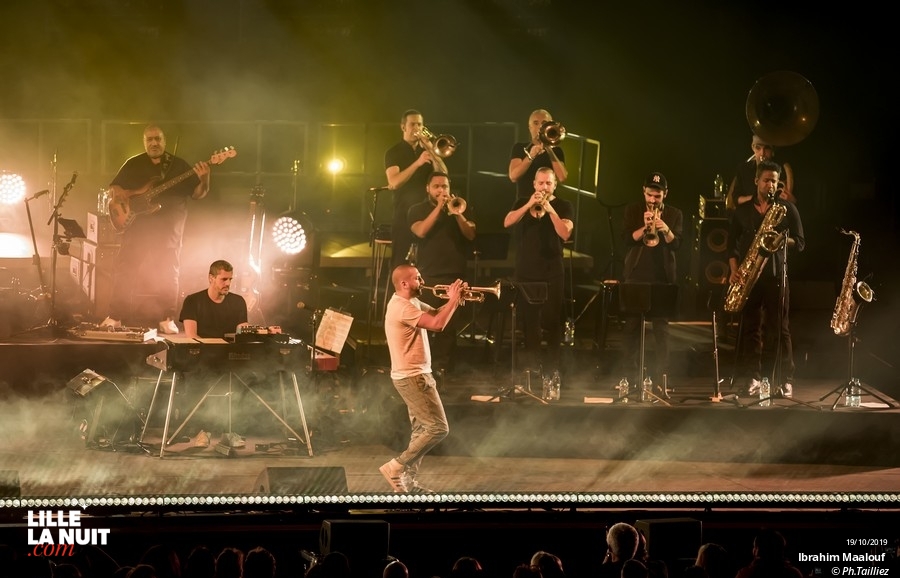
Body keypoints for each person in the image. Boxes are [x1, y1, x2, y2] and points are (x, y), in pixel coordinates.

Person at [101, 123, 210, 334]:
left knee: (168, 273)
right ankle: (115, 316)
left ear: (164, 141)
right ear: (144, 142)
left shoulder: (179, 165)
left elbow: (198, 194)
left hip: (169, 230)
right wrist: (127, 196)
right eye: (149, 139)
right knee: (125, 269)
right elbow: (114, 187)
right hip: (138, 227)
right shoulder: (133, 163)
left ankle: (167, 318)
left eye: (157, 139)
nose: (154, 143)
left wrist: (205, 178)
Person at [379, 265, 464, 494]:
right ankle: (396, 466)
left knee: (421, 431)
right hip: (413, 377)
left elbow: (435, 315)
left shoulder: (411, 302)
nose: (423, 281)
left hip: (415, 375)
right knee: (438, 428)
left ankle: (407, 484)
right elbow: (438, 325)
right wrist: (453, 300)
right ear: (404, 283)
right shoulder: (401, 307)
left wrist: (454, 300)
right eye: (417, 278)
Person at [727, 160, 804, 398]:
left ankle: (785, 379)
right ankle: (753, 377)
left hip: (776, 275)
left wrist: (781, 240)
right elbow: (731, 245)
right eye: (766, 180)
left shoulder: (787, 209)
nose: (770, 185)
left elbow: (801, 242)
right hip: (750, 277)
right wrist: (734, 270)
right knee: (751, 329)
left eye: (774, 181)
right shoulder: (742, 211)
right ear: (756, 181)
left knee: (780, 328)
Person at [503, 166, 574, 378]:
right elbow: (507, 222)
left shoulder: (564, 205)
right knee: (529, 322)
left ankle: (552, 369)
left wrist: (550, 209)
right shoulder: (521, 202)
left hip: (552, 272)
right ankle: (531, 368)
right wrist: (528, 204)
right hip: (526, 272)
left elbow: (565, 233)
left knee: (552, 321)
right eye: (540, 183)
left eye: (548, 183)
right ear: (534, 184)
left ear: (555, 185)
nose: (544, 187)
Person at [408, 171, 476, 375]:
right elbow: (420, 231)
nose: (441, 190)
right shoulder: (417, 209)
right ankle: (423, 368)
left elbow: (470, 234)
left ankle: (443, 370)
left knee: (449, 328)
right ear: (427, 189)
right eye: (436, 186)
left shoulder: (460, 207)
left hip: (454, 276)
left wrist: (457, 213)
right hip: (427, 276)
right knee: (424, 325)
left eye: (445, 186)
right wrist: (439, 207)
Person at [620, 172, 683, 389]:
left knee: (661, 332)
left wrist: (665, 229)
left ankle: (661, 378)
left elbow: (677, 244)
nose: (653, 200)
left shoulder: (674, 214)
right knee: (631, 329)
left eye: (657, 196)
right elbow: (626, 239)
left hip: (662, 278)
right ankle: (629, 378)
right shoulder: (633, 210)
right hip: (636, 275)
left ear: (665, 194)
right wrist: (644, 227)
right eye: (649, 195)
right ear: (643, 192)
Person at [385, 109, 448, 269]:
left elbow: (443, 174)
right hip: (403, 213)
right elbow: (394, 182)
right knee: (401, 263)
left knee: (427, 263)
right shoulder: (394, 152)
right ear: (403, 127)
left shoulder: (426, 150)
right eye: (412, 124)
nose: (417, 128)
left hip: (426, 212)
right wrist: (417, 163)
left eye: (419, 124)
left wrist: (431, 149)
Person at [179, 260, 249, 339]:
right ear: (211, 278)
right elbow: (191, 336)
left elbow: (242, 336)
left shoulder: (238, 301)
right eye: (224, 279)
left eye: (230, 279)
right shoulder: (192, 301)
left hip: (231, 347)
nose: (228, 283)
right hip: (202, 347)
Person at [725, 134, 796, 211]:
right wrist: (756, 199)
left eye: (767, 148)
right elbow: (735, 198)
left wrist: (792, 201)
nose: (762, 153)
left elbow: (791, 199)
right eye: (758, 148)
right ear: (753, 148)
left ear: (772, 150)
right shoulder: (743, 169)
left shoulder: (782, 169)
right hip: (748, 214)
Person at [508, 109, 568, 198]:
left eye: (544, 123)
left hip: (548, 203)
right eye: (536, 123)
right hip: (525, 201)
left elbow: (562, 178)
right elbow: (513, 177)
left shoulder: (556, 151)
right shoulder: (520, 148)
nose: (540, 127)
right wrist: (530, 156)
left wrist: (548, 148)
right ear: (530, 127)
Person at [733, 529, 803, 578]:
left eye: (755, 546)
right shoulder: (793, 573)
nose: (753, 549)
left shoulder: (746, 574)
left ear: (758, 550)